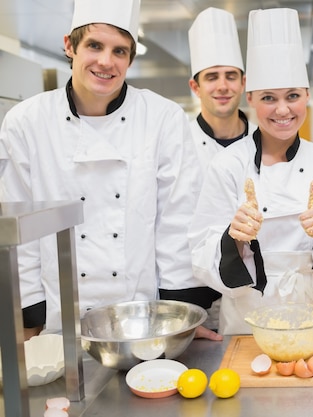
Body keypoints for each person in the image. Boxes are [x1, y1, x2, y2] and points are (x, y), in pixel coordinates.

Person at [0, 0, 202, 337]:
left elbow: (176, 219)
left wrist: (178, 314)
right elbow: (20, 222)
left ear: (131, 59)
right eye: (95, 45)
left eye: (120, 51)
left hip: (143, 318)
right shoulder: (26, 121)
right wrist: (30, 311)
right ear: (69, 46)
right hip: (58, 318)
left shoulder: (161, 117)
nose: (106, 62)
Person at [188, 8, 313, 335]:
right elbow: (200, 256)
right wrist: (234, 239)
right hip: (248, 319)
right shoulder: (227, 165)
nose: (282, 110)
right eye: (269, 98)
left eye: (293, 96)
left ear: (307, 97)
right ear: (251, 97)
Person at [159, 7, 254, 341]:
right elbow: (161, 227)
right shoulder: (173, 144)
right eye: (212, 76)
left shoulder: (266, 144)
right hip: (188, 294)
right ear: (195, 86)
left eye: (231, 75)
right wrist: (173, 311)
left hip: (251, 295)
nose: (223, 86)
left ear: (244, 82)